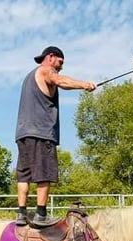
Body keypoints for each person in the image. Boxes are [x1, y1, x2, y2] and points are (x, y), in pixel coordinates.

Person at [14, 46, 97, 227]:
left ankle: (21, 214)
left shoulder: (29, 77)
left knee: (24, 175)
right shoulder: (46, 70)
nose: (60, 67)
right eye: (60, 62)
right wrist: (85, 85)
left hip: (23, 134)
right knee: (44, 174)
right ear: (50, 57)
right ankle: (41, 214)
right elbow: (60, 80)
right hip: (41, 133)